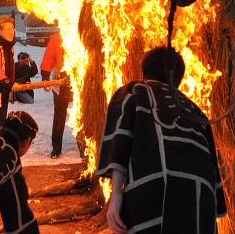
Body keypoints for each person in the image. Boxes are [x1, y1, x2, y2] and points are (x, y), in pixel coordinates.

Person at [97, 47, 227, 234]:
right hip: (201, 196)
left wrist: (116, 195)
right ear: (179, 79)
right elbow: (212, 164)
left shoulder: (135, 91)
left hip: (156, 187)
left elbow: (121, 140)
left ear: (145, 71)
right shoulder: (196, 110)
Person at [40, 32, 72, 158]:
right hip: (61, 77)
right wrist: (45, 77)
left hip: (82, 76)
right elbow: (48, 58)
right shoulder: (57, 38)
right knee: (59, 113)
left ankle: (85, 147)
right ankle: (56, 148)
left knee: (85, 113)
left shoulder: (86, 32)